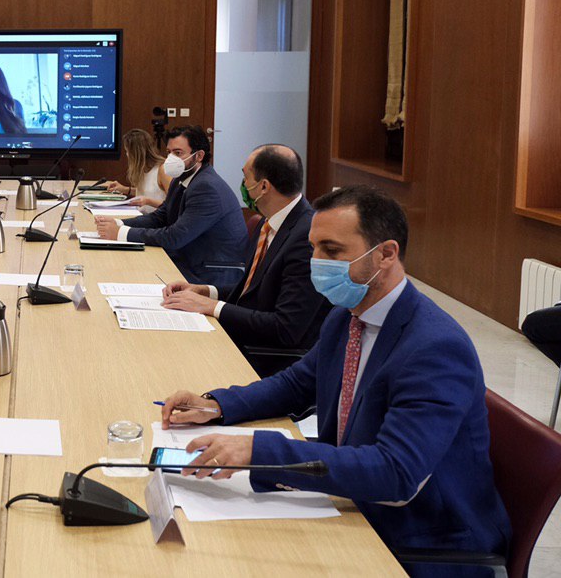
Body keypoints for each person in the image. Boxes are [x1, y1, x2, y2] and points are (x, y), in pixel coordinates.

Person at [160, 186, 510, 573]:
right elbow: (297, 383)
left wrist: (260, 451)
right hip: (352, 500)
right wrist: (217, 405)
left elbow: (396, 473)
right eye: (313, 248)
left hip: (420, 538)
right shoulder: (348, 314)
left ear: (386, 254)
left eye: (331, 250)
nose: (316, 262)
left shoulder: (435, 347)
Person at [160, 144, 330, 373]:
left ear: (263, 186)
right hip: (244, 336)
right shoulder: (269, 222)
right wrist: (205, 291)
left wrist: (212, 306)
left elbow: (285, 328)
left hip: (266, 358)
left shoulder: (305, 238)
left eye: (245, 176)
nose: (243, 184)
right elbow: (255, 291)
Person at [94, 125, 247, 287]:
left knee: (129, 273)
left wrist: (122, 233)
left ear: (199, 156)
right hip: (189, 258)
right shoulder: (181, 180)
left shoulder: (206, 187)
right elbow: (160, 217)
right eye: (169, 152)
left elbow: (175, 237)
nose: (171, 159)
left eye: (178, 153)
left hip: (211, 273)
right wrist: (119, 223)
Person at [99, 128, 170, 212]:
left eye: (127, 151)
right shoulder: (143, 169)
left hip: (157, 218)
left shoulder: (163, 169)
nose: (127, 155)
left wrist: (148, 201)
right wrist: (125, 189)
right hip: (141, 215)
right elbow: (148, 192)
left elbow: (173, 204)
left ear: (136, 153)